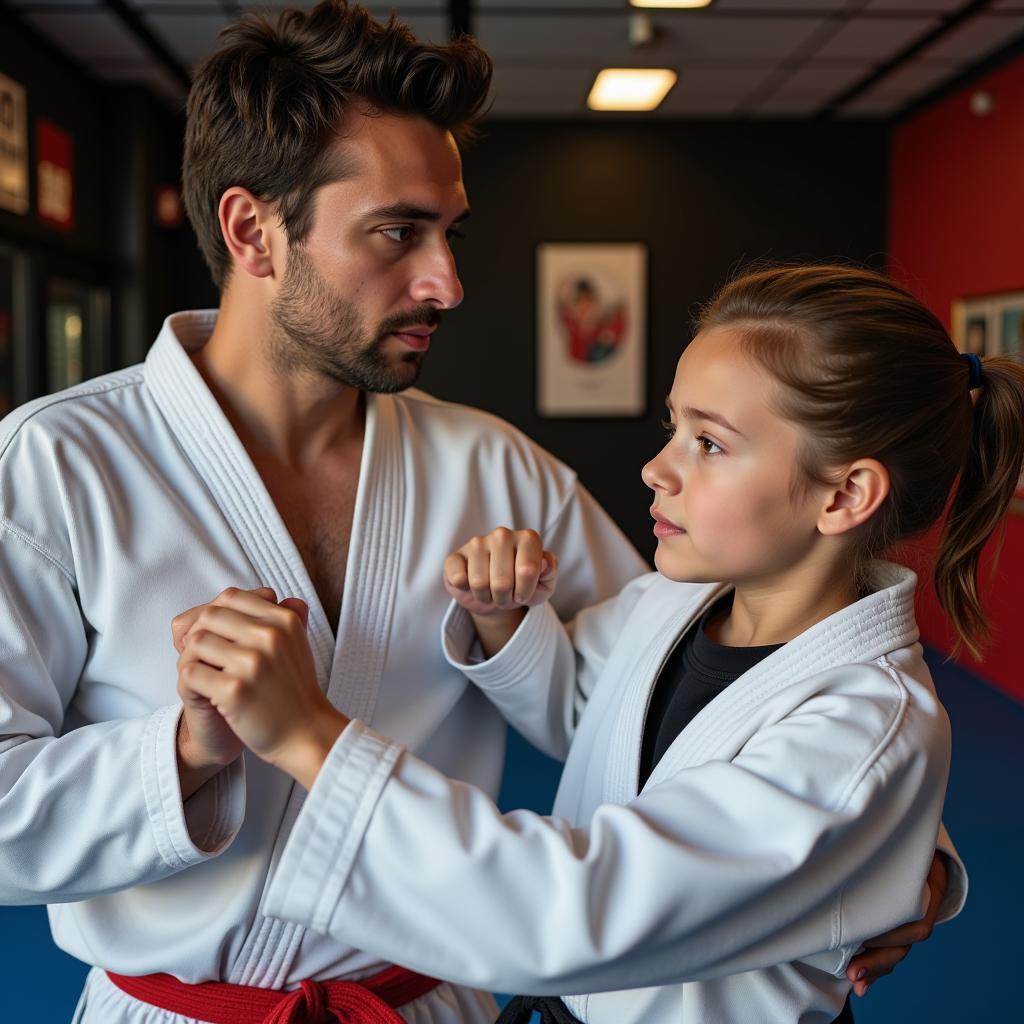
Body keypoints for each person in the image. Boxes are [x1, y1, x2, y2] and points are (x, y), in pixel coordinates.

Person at [0, 0, 951, 1019]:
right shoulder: (57, 463)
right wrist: (183, 752)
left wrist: (897, 851)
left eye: (449, 233)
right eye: (397, 233)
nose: (446, 282)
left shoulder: (495, 469)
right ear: (253, 231)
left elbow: (680, 689)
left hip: (430, 1001)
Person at [169, 265, 1014, 1023]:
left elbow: (570, 908)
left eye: (709, 444)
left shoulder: (869, 724)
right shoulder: (673, 602)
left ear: (844, 496)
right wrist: (505, 623)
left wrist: (308, 735)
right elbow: (588, 712)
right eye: (673, 428)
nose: (657, 467)